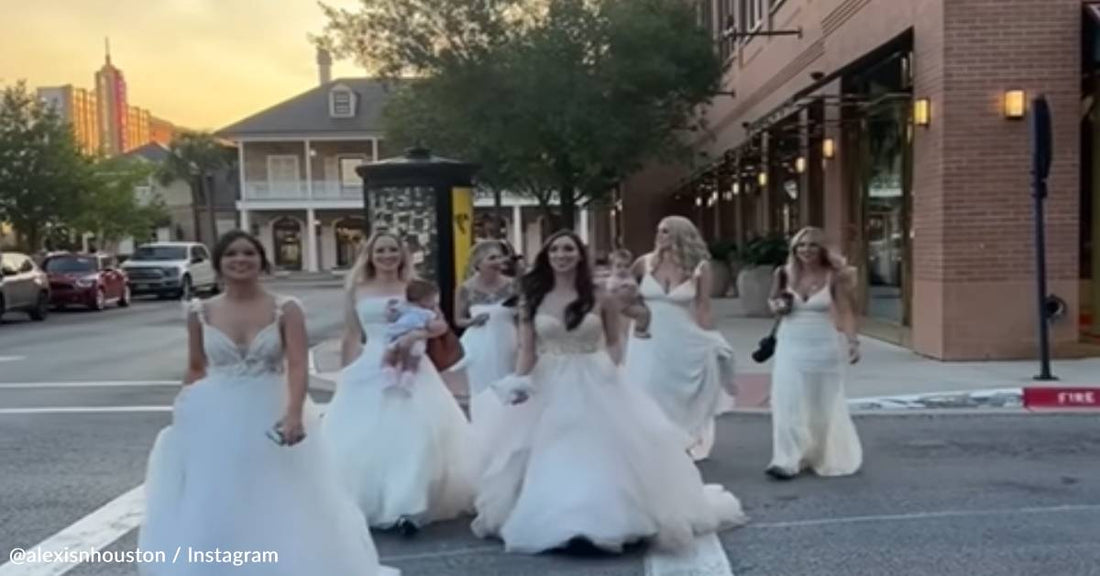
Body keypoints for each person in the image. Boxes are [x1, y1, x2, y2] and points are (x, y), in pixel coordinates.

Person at [470, 230, 747, 555]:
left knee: (599, 446)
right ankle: (563, 518)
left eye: (568, 249)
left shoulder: (600, 294)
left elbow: (616, 340)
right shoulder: (533, 297)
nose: (562, 255)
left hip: (595, 376)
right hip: (550, 379)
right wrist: (519, 382)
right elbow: (527, 349)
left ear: (579, 255)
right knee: (554, 448)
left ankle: (601, 518)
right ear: (547, 256)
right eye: (555, 249)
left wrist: (611, 369)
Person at [137, 230, 395, 576]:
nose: (240, 260)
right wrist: (185, 412)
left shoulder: (285, 309)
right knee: (218, 493)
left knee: (280, 491)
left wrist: (293, 413)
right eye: (231, 254)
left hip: (270, 408)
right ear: (219, 264)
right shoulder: (200, 312)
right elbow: (197, 368)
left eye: (249, 253)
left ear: (261, 261)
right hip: (214, 415)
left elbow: (298, 364)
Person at [321, 231, 475, 537]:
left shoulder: (415, 288)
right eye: (380, 250)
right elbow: (352, 334)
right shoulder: (357, 289)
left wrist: (417, 334)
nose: (387, 256)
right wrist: (346, 373)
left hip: (414, 364)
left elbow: (440, 324)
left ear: (402, 254)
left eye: (392, 250)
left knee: (415, 434)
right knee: (364, 435)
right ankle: (368, 499)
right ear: (370, 255)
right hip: (372, 364)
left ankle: (407, 505)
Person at [624, 216, 738, 461]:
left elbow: (703, 306)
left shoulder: (700, 267)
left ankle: (681, 439)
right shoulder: (644, 263)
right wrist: (635, 315)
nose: (660, 235)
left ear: (681, 234)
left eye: (666, 231)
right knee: (647, 385)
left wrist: (712, 337)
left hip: (683, 336)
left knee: (678, 390)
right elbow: (624, 293)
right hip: (647, 336)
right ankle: (652, 441)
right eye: (658, 230)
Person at [765, 226, 862, 480]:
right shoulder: (783, 273)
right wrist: (778, 305)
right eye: (801, 245)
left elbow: (845, 310)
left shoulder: (834, 276)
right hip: (791, 343)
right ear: (794, 249)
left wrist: (853, 341)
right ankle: (786, 459)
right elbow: (772, 302)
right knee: (787, 401)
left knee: (822, 404)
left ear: (822, 249)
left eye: (812, 245)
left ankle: (820, 453)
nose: (806, 250)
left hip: (823, 345)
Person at [453, 240, 518, 426]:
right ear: (478, 263)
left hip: (508, 341)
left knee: (509, 385)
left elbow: (523, 315)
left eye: (499, 257)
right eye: (492, 258)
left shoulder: (513, 285)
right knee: (483, 388)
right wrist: (472, 321)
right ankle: (483, 427)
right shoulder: (465, 289)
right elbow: (458, 320)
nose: (498, 261)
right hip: (480, 345)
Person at [382, 279, 440, 388]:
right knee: (412, 362)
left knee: (389, 359)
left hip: (396, 336)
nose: (434, 303)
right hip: (416, 340)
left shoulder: (404, 307)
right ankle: (407, 380)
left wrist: (391, 307)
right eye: (432, 300)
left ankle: (390, 379)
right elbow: (434, 325)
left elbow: (391, 315)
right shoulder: (428, 313)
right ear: (425, 299)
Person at [605, 248, 652, 343]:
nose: (622, 269)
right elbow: (611, 290)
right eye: (618, 266)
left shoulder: (630, 277)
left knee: (646, 310)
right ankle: (639, 330)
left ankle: (641, 327)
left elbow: (635, 289)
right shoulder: (613, 279)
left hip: (631, 302)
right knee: (642, 313)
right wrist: (624, 287)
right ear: (611, 268)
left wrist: (638, 294)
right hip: (622, 306)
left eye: (626, 266)